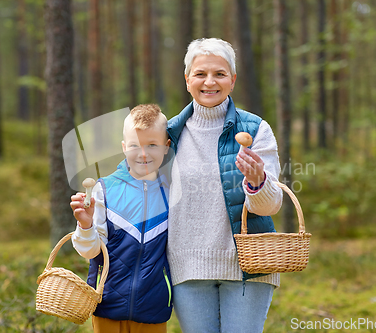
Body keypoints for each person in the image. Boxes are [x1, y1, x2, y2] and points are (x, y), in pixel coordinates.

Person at [166, 38, 283, 333]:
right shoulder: (168, 134)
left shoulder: (255, 129)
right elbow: (137, 183)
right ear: (187, 79)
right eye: (200, 74)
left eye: (219, 74)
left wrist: (258, 181)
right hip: (187, 266)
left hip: (247, 265)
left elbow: (271, 205)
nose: (210, 82)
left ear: (232, 79)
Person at [70, 104, 172, 333]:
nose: (143, 154)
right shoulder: (103, 190)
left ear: (166, 147)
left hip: (153, 311)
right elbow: (90, 251)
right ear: (124, 147)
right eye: (135, 145)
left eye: (152, 145)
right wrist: (85, 225)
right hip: (107, 308)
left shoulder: (171, 193)